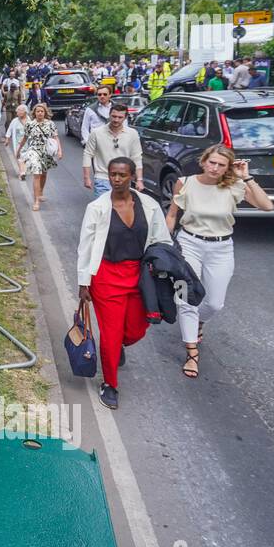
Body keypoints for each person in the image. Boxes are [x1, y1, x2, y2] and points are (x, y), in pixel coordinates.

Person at [165, 145, 274, 380]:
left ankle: (200, 321)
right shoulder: (186, 182)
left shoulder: (235, 185)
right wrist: (164, 244)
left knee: (215, 303)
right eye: (212, 162)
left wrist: (247, 177)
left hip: (221, 248)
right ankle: (192, 353)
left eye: (221, 165)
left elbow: (267, 206)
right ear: (203, 161)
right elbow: (173, 214)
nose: (215, 168)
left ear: (228, 168)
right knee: (185, 299)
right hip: (189, 244)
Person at [76, 157, 171, 410]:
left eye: (122, 175)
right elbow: (85, 247)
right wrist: (83, 282)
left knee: (136, 328)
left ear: (132, 176)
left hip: (138, 276)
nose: (116, 179)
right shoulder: (97, 207)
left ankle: (119, 346)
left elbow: (162, 239)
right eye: (112, 174)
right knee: (111, 333)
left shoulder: (148, 205)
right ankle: (109, 383)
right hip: (106, 277)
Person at [83, 103, 143, 198]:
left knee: (121, 210)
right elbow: (87, 154)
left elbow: (136, 157)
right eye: (114, 116)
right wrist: (86, 177)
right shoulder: (96, 133)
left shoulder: (132, 134)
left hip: (124, 179)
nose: (116, 120)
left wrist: (139, 179)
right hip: (102, 178)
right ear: (109, 115)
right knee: (103, 211)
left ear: (125, 118)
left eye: (120, 117)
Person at [19, 102, 62, 211]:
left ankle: (40, 191)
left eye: (42, 111)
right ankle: (36, 201)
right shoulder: (30, 124)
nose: (40, 113)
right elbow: (24, 138)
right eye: (38, 111)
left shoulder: (50, 124)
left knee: (43, 173)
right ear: (34, 113)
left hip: (46, 151)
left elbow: (56, 138)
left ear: (45, 113)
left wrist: (60, 151)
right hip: (34, 150)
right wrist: (18, 150)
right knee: (36, 174)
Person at [5, 103, 30, 180]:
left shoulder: (30, 121)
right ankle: (22, 173)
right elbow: (9, 129)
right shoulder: (15, 121)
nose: (17, 113)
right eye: (17, 111)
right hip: (18, 143)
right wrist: (7, 139)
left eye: (19, 111)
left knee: (25, 158)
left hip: (27, 143)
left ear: (25, 112)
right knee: (19, 157)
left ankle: (22, 172)